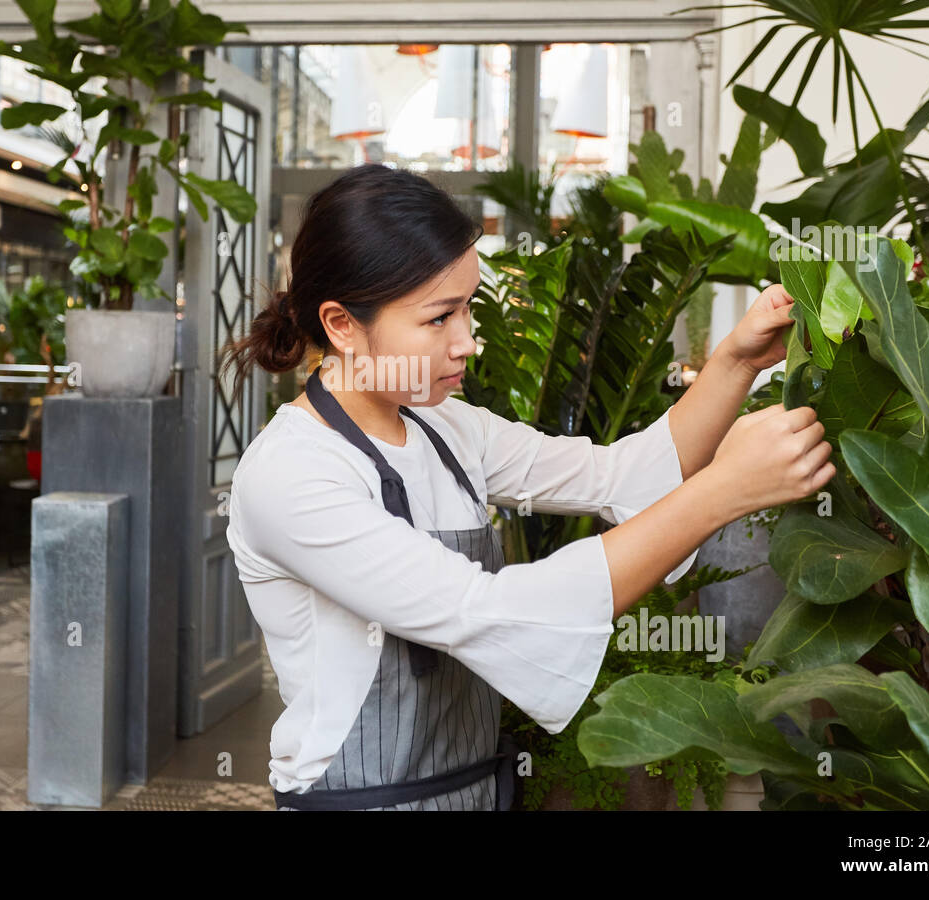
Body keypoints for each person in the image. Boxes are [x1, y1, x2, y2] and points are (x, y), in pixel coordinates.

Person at [218, 163, 834, 811]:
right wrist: (721, 493)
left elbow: (619, 474)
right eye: (438, 318)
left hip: (477, 793)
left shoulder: (444, 426)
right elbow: (486, 613)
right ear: (342, 325)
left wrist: (735, 362)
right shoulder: (294, 475)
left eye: (468, 309)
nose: (469, 343)